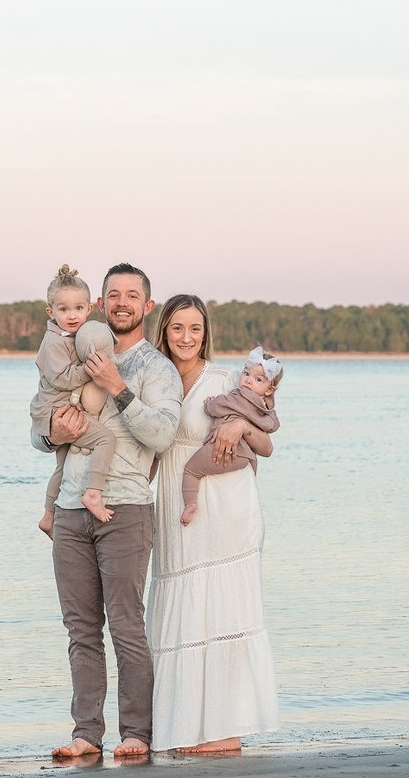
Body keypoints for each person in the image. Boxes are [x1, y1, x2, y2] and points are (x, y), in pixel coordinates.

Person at [32, 262, 182, 760]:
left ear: (147, 306)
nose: (121, 302)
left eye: (131, 296)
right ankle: (86, 734)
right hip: (71, 510)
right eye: (113, 294)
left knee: (125, 625)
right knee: (80, 630)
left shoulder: (157, 368)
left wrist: (118, 385)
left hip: (125, 511)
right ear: (100, 303)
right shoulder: (69, 348)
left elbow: (162, 434)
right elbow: (38, 433)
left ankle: (137, 732)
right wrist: (55, 431)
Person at [146, 294, 280, 753]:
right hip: (175, 503)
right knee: (181, 608)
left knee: (224, 610)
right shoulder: (151, 378)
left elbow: (266, 443)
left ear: (206, 333)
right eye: (178, 327)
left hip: (225, 508)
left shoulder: (225, 379)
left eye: (196, 329)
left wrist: (241, 428)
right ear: (164, 328)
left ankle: (223, 732)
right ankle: (181, 728)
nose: (187, 337)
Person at [30, 264, 118, 531]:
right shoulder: (53, 341)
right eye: (63, 309)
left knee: (62, 466)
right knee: (106, 439)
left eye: (78, 308)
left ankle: (48, 517)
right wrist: (92, 369)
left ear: (89, 309)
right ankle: (93, 493)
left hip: (60, 408)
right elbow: (64, 378)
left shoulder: (77, 335)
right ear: (51, 312)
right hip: (55, 411)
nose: (71, 315)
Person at [179, 346, 282, 526]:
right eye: (246, 373)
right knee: (250, 475)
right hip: (245, 457)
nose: (248, 381)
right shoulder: (265, 408)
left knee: (191, 470)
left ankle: (190, 504)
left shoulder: (239, 395)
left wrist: (210, 402)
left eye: (258, 379)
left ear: (269, 390)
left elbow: (216, 408)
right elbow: (272, 426)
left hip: (222, 449)